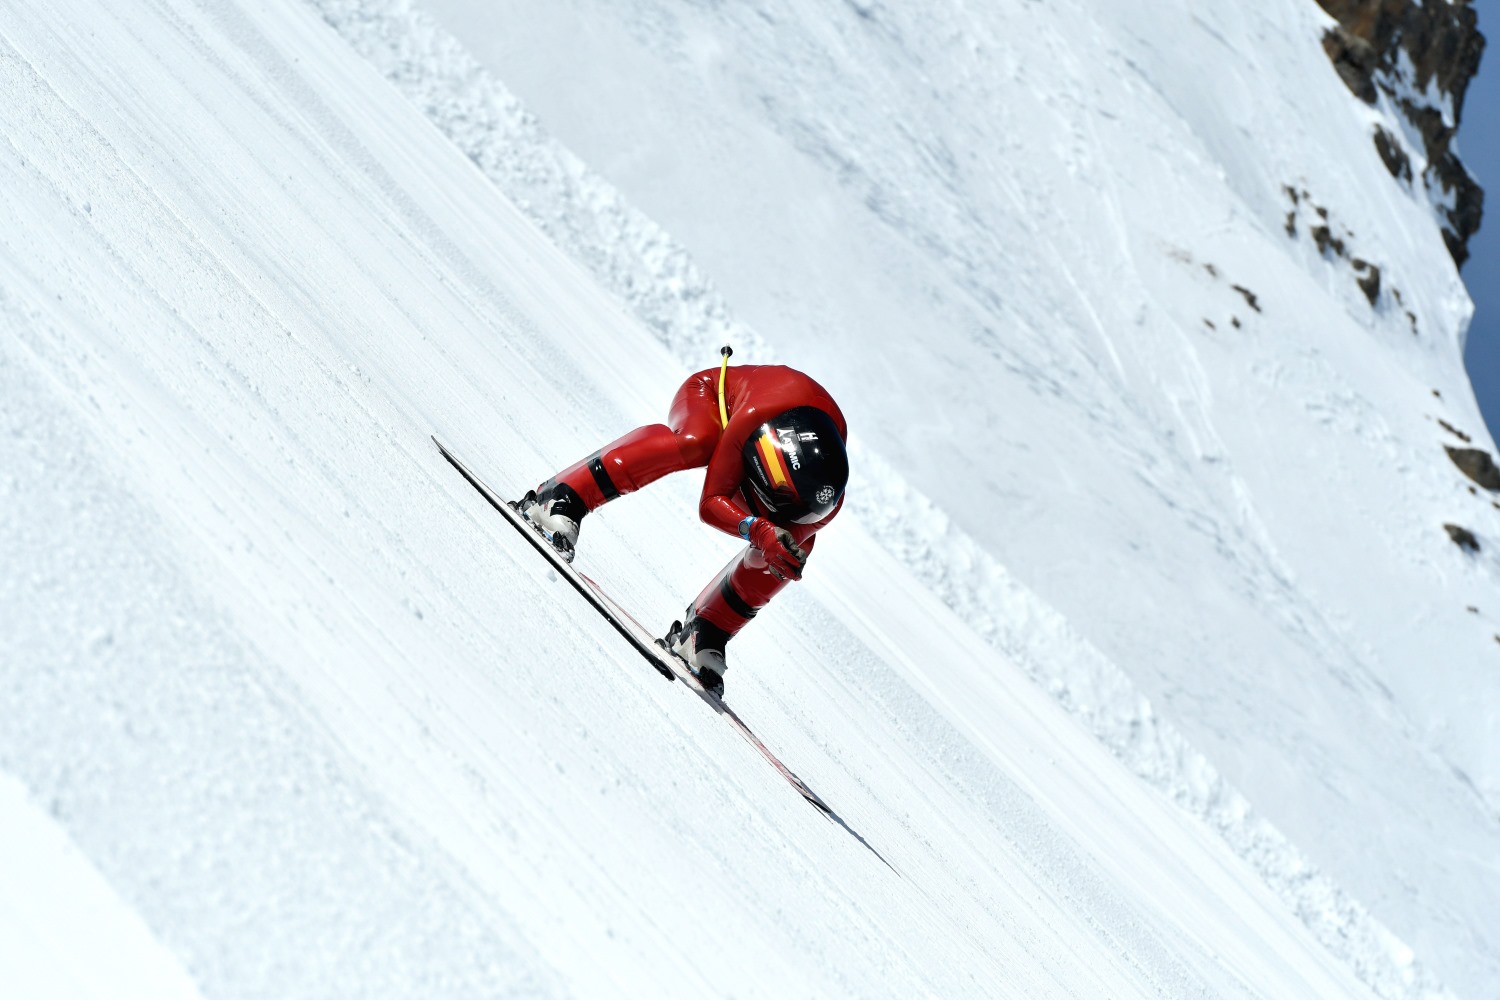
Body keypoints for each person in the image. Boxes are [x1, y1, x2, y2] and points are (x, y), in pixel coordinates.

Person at [518, 349, 849, 697]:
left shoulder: (827, 501)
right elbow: (710, 504)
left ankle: (707, 630)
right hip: (713, 396)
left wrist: (776, 541)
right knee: (696, 443)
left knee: (794, 547)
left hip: (773, 450)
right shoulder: (755, 416)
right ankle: (562, 496)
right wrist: (759, 529)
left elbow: (782, 536)